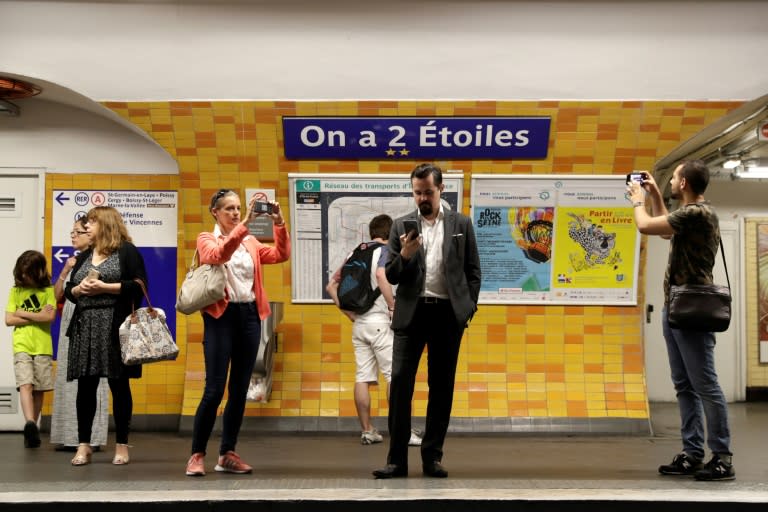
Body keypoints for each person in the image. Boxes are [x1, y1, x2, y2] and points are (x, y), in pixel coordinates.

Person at [373, 163, 481, 479]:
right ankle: (396, 461)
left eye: (428, 192)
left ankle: (432, 458)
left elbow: (473, 270)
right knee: (401, 387)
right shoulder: (400, 225)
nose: (423, 197)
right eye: (417, 192)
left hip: (447, 315)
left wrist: (467, 309)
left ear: (441, 189)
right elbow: (390, 275)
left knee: (441, 388)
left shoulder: (461, 223)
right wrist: (405, 255)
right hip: (412, 314)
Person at [628, 160, 735, 481]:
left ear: (685, 183)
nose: (671, 182)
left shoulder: (697, 214)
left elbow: (646, 227)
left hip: (692, 307)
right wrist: (654, 196)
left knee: (705, 384)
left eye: (674, 178)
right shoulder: (689, 215)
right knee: (685, 385)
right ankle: (692, 453)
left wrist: (637, 201)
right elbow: (664, 229)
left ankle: (723, 457)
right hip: (676, 306)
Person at [185, 189, 290, 477]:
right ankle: (197, 454)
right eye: (228, 208)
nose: (234, 213)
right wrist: (245, 223)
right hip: (221, 317)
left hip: (249, 316)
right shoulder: (207, 239)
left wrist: (280, 224)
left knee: (239, 390)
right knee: (214, 389)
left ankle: (227, 453)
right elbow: (219, 255)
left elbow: (281, 254)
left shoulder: (251, 242)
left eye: (238, 208)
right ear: (215, 213)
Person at [64, 206, 148, 466]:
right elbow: (68, 290)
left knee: (119, 385)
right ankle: (83, 444)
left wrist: (104, 287)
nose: (86, 227)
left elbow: (139, 285)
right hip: (85, 326)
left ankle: (122, 445)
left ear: (106, 224)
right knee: (85, 387)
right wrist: (78, 290)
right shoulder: (85, 254)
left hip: (114, 326)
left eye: (91, 222)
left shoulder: (127, 251)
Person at [50, 218, 109, 451]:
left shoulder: (100, 260)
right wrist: (65, 271)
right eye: (71, 232)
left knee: (91, 378)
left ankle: (90, 437)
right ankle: (69, 435)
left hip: (91, 319)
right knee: (67, 374)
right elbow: (56, 297)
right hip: (70, 320)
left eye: (78, 232)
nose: (73, 236)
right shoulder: (74, 262)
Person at [5, 250, 57, 448]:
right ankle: (29, 423)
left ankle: (32, 430)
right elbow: (9, 320)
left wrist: (23, 312)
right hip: (22, 345)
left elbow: (49, 318)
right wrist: (38, 315)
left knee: (40, 389)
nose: (23, 276)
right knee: (25, 384)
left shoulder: (48, 291)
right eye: (21, 272)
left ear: (38, 272)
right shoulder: (15, 292)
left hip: (43, 346)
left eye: (27, 272)